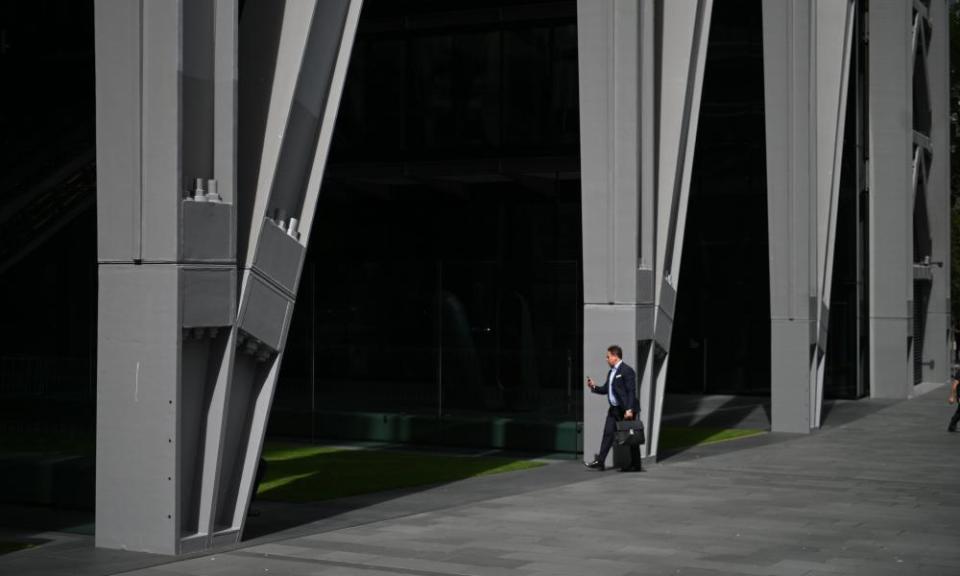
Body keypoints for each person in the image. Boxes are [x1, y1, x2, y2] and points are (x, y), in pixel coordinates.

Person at [584, 345, 642, 472]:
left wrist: (629, 409)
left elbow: (631, 391)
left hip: (626, 410)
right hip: (614, 410)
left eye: (608, 356)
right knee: (608, 433)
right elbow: (606, 389)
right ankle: (600, 461)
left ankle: (636, 465)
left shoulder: (627, 371)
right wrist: (594, 387)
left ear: (615, 357)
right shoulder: (611, 372)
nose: (606, 359)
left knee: (631, 437)